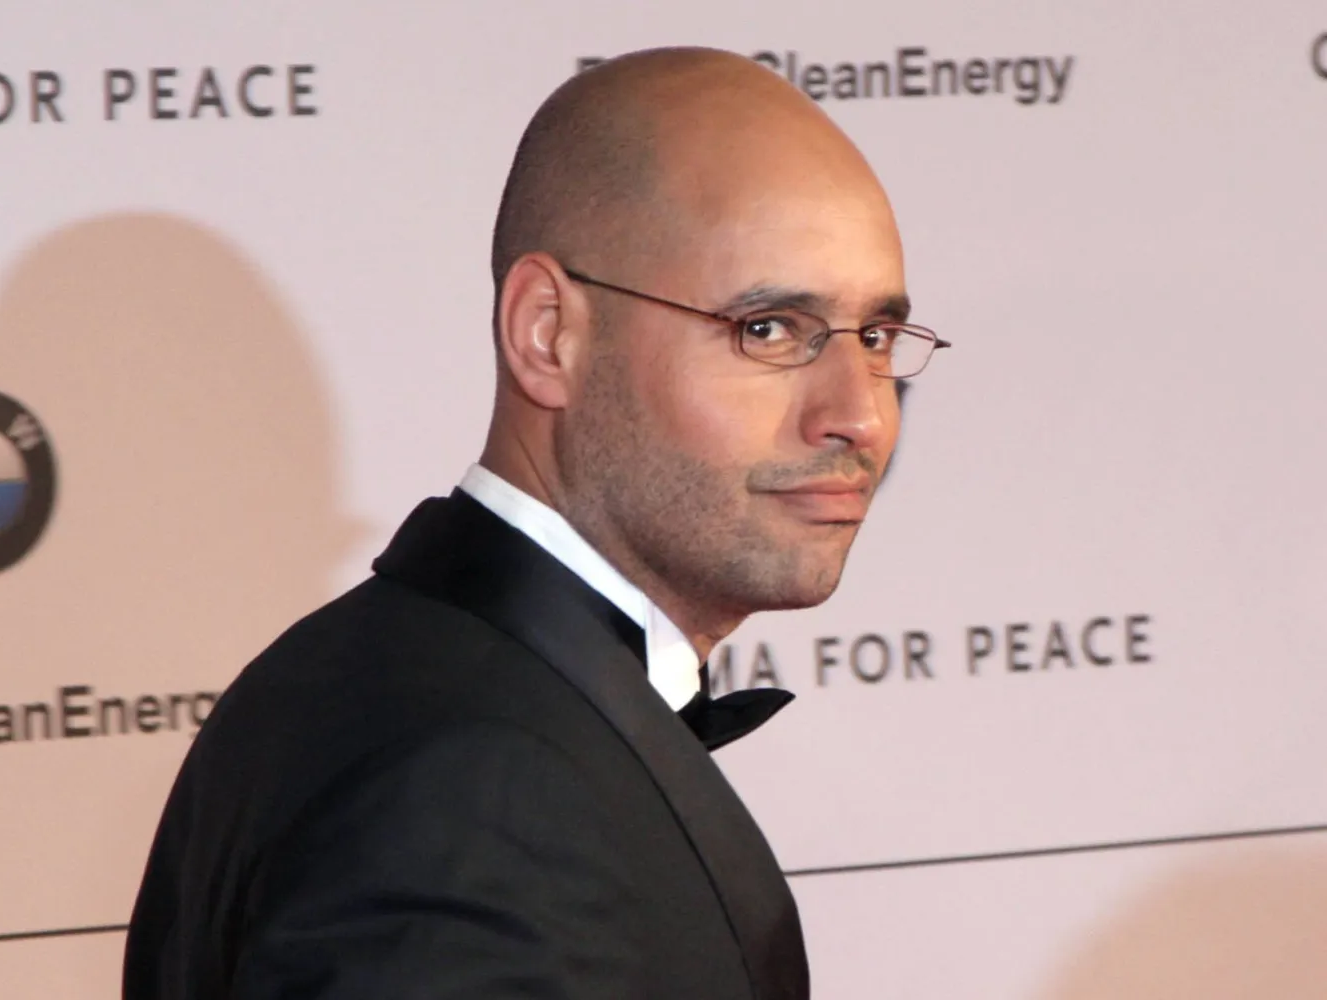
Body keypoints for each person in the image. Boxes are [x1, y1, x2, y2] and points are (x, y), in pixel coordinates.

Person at [124, 46, 947, 1000]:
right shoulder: (466, 795)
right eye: (767, 330)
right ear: (547, 333)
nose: (861, 415)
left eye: (877, 339)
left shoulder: (424, 682)